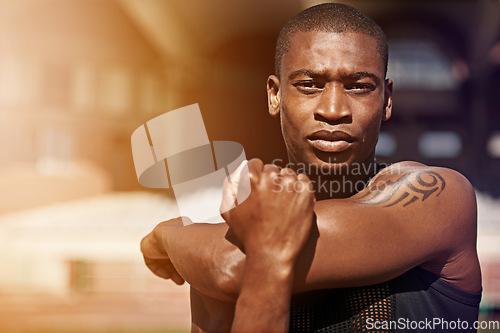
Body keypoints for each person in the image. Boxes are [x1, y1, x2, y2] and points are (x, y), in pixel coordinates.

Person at [140, 3, 482, 332]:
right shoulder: (224, 233)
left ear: (386, 100)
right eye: (309, 85)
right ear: (275, 95)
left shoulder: (439, 195)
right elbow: (221, 270)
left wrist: (166, 235)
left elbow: (230, 267)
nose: (333, 110)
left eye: (359, 87)